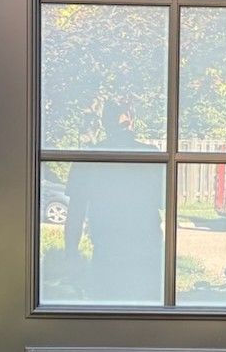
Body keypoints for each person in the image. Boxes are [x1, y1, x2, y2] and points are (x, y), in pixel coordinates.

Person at [65, 100, 164, 305]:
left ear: (104, 123)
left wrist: (71, 255)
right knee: (148, 318)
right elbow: (166, 203)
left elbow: (75, 213)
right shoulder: (153, 157)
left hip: (118, 250)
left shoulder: (88, 159)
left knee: (108, 315)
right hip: (135, 250)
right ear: (132, 122)